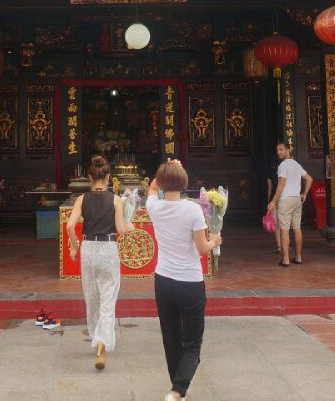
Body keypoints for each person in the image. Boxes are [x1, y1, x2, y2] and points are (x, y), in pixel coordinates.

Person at [146, 160, 221, 401]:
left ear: (161, 182)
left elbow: (151, 188)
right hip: (189, 283)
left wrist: (166, 168)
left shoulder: (154, 206)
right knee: (192, 343)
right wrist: (215, 241)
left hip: (163, 281)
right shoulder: (192, 210)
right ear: (184, 182)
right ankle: (177, 391)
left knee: (171, 339)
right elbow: (202, 248)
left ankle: (177, 390)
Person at [65, 155, 135, 370]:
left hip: (88, 248)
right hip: (108, 249)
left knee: (92, 297)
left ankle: (98, 341)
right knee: (108, 297)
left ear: (89, 177)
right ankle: (102, 343)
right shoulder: (115, 200)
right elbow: (121, 229)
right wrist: (130, 226)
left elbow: (70, 226)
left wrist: (74, 246)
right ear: (108, 177)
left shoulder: (81, 199)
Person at [266, 142, 313, 267]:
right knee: (297, 229)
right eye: (277, 150)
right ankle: (298, 257)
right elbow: (309, 179)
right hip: (297, 200)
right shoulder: (297, 164)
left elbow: (281, 185)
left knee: (284, 230)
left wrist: (273, 201)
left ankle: (286, 259)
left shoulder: (283, 165)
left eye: (281, 150)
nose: (278, 152)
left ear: (288, 150)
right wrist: (304, 194)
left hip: (285, 200)